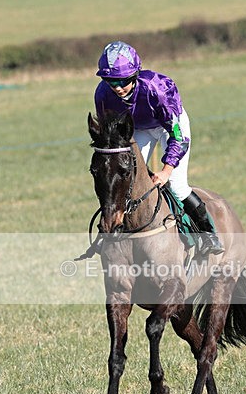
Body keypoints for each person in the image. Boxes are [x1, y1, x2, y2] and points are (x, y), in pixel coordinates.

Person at [94, 40, 224, 255]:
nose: (116, 87)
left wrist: (165, 171)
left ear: (135, 74)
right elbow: (111, 135)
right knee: (124, 180)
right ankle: (111, 230)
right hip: (138, 129)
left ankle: (208, 234)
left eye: (122, 81)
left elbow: (177, 137)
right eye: (110, 81)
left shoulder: (158, 88)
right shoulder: (102, 94)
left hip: (169, 128)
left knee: (176, 184)